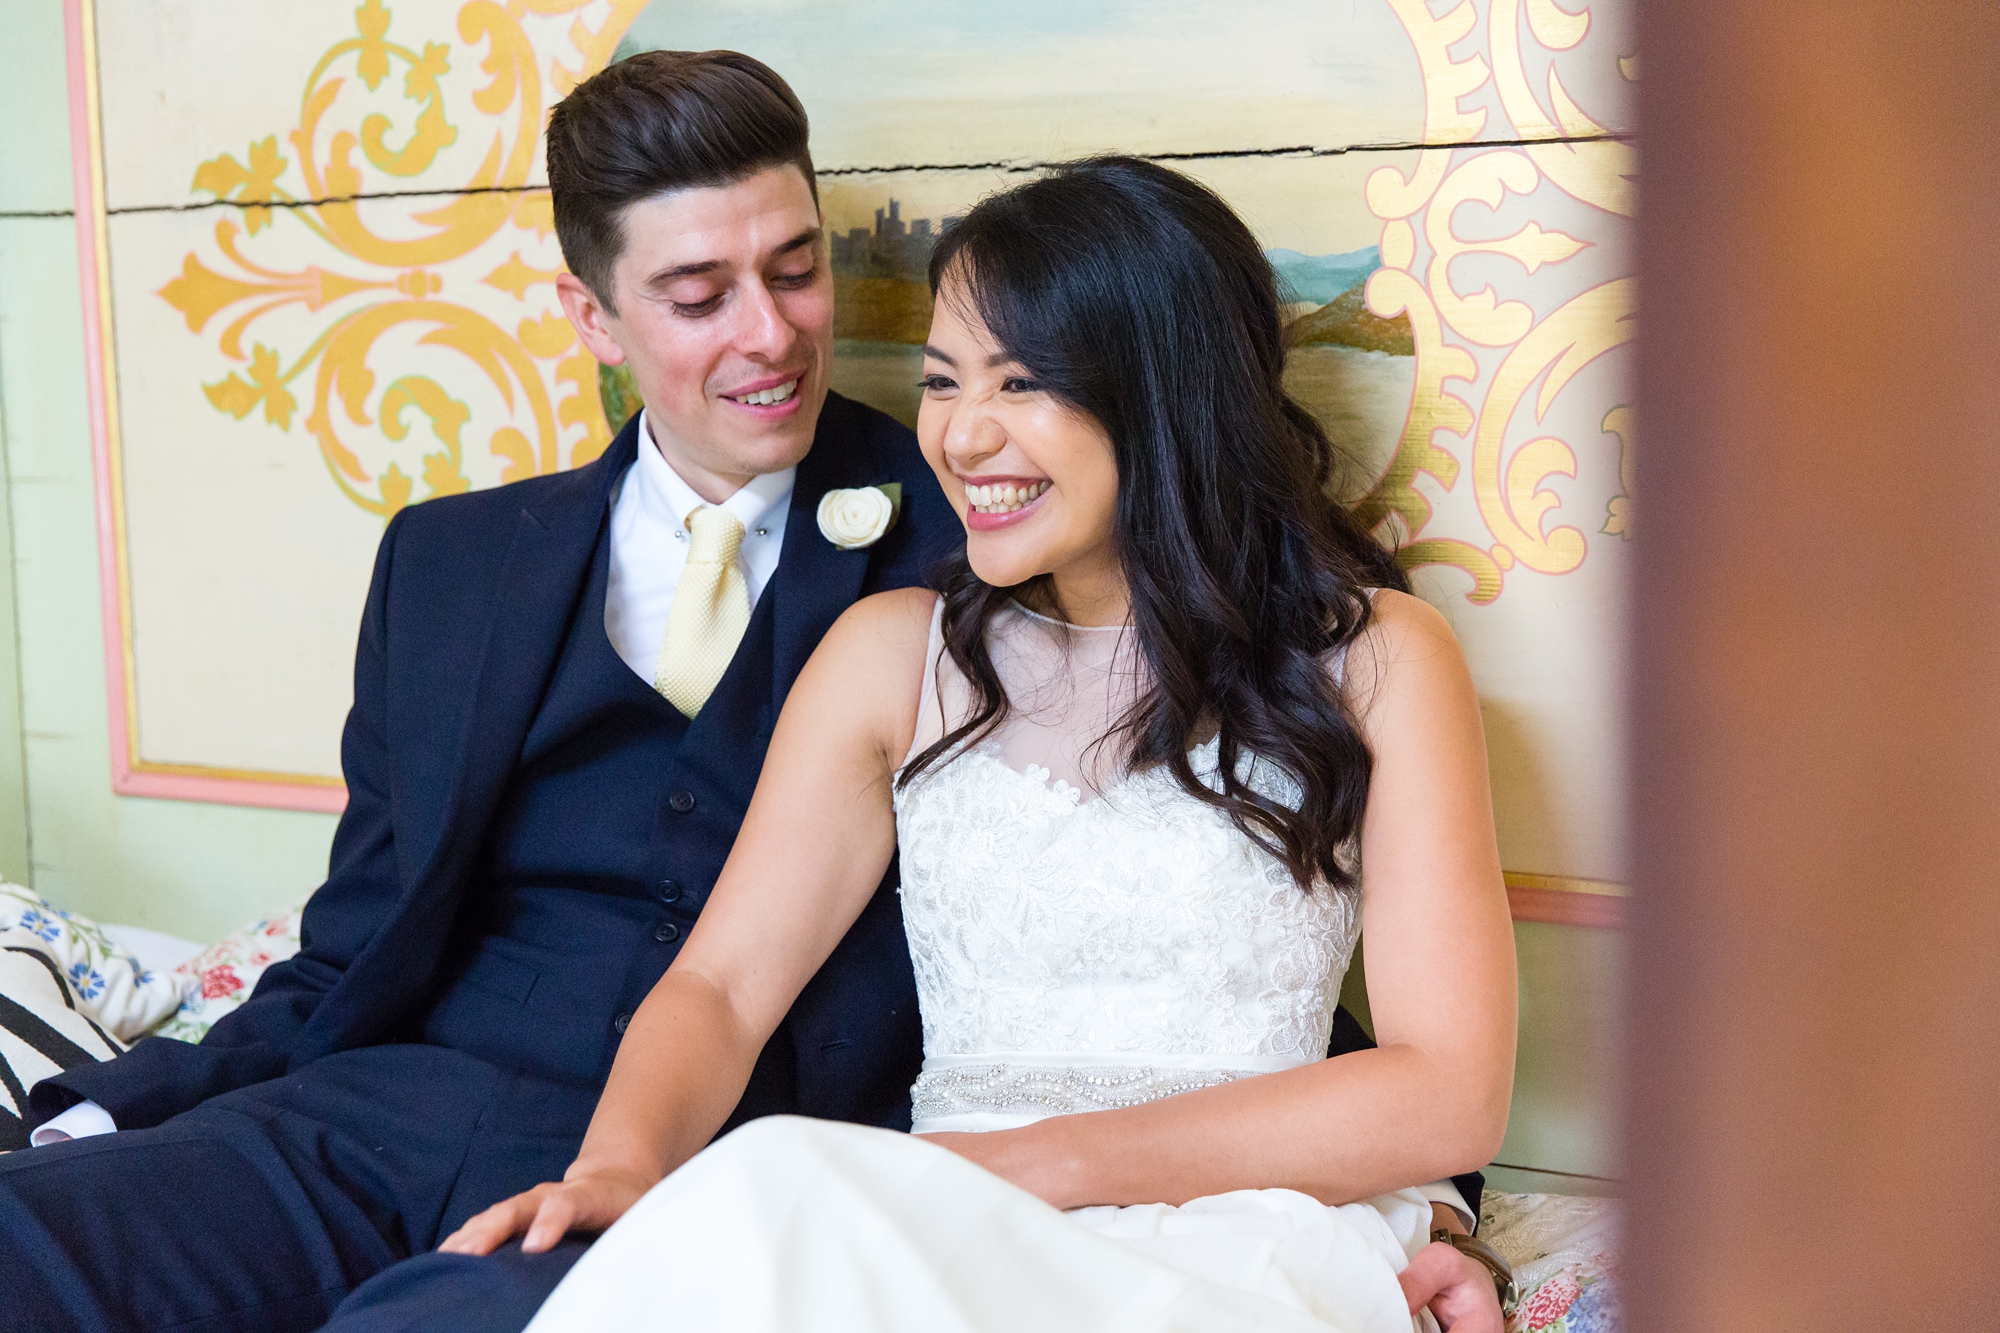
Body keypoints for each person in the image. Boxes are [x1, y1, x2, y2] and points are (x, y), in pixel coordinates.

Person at [445, 157, 1520, 1333]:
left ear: (1159, 394)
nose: (961, 435)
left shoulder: (1376, 661)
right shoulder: (890, 657)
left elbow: (1448, 1089)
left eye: (1018, 384)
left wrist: (1041, 1167)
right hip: (940, 1229)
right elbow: (718, 985)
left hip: (1243, 1237)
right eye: (943, 381)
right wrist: (619, 1167)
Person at [0, 51, 961, 1333]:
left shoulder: (968, 548)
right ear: (591, 316)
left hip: (715, 1158)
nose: (771, 333)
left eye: (795, 268)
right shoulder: (445, 563)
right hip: (381, 1107)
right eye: (698, 294)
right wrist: (124, 1102)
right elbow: (354, 940)